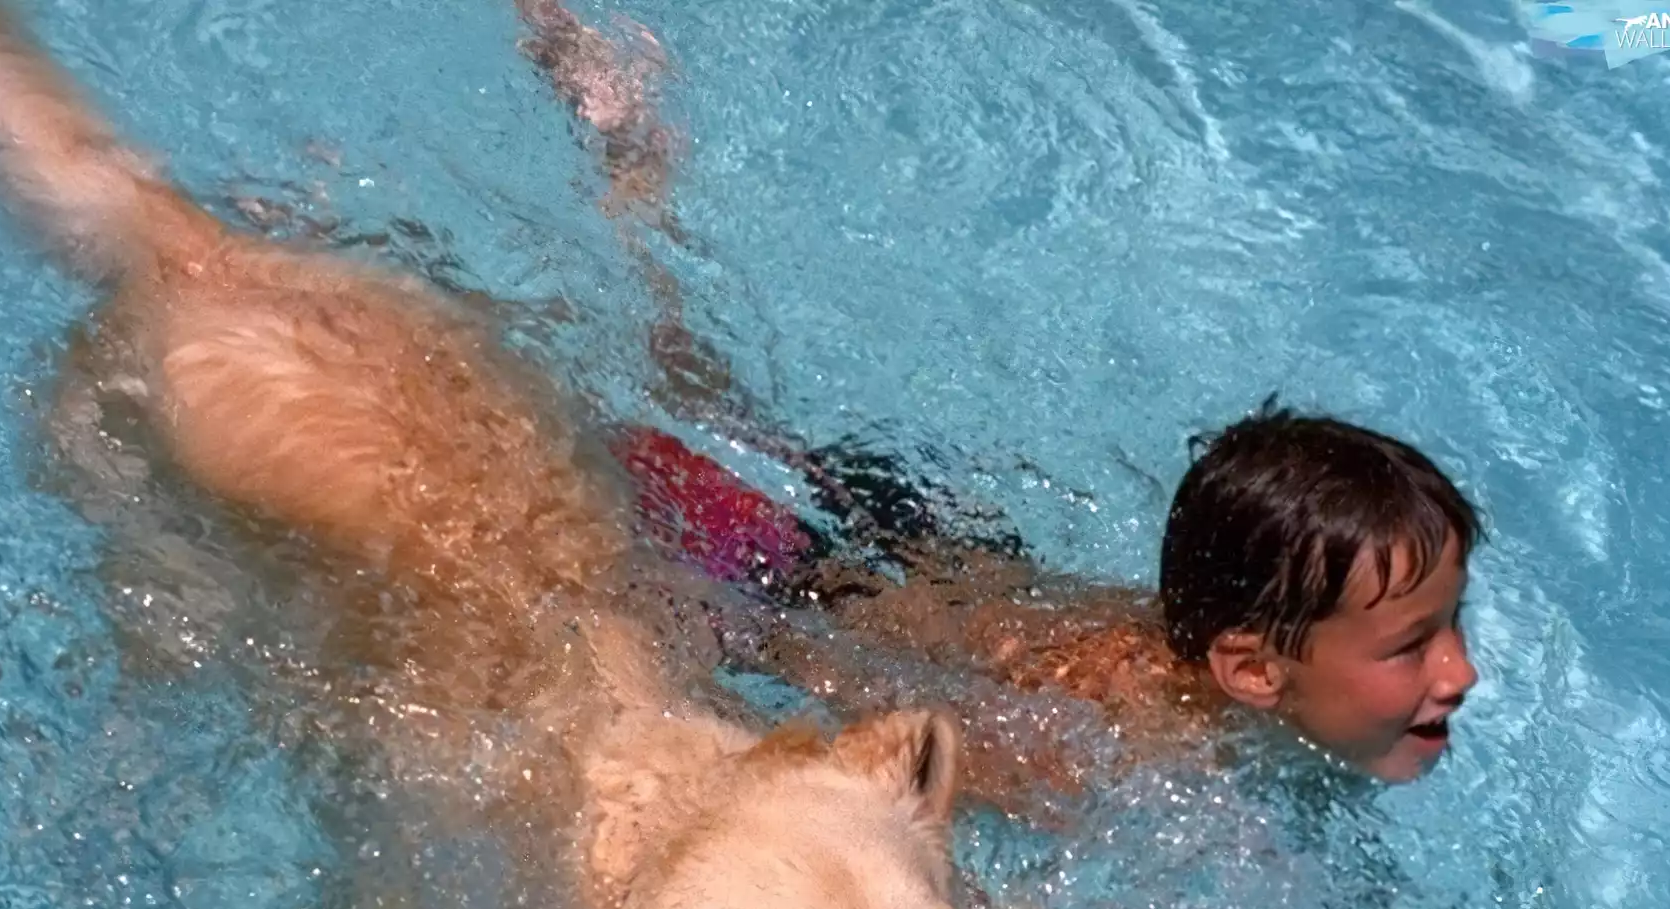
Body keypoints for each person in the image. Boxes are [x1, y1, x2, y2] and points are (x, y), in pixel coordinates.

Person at [513, 1, 1481, 797]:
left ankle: (637, 191)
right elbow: (861, 717)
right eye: (1411, 647)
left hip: (952, 556)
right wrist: (709, 621)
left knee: (710, 394)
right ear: (1254, 674)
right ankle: (623, 182)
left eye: (1451, 625)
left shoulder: (1251, 686)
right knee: (570, 430)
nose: (1462, 672)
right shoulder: (1092, 758)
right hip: (798, 582)